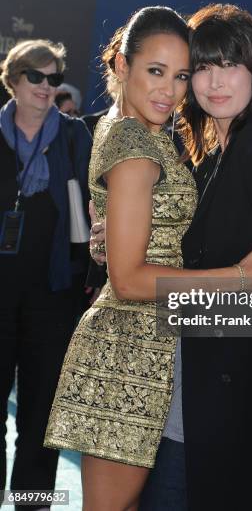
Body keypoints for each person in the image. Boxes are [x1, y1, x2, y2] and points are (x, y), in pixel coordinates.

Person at [90, 4, 252, 511]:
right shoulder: (209, 150)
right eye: (203, 69)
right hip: (192, 368)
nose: (216, 82)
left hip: (234, 375)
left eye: (230, 65)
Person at [44, 6, 252, 511]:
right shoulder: (134, 145)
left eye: (181, 75)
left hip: (150, 345)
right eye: (155, 71)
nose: (169, 90)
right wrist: (239, 278)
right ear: (122, 67)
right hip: (129, 348)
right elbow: (128, 279)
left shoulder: (133, 130)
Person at [0, 39, 92, 510]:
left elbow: (96, 204)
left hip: (54, 296)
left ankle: (32, 505)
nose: (45, 86)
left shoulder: (75, 137)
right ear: (12, 79)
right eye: (36, 76)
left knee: (41, 420)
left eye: (53, 79)